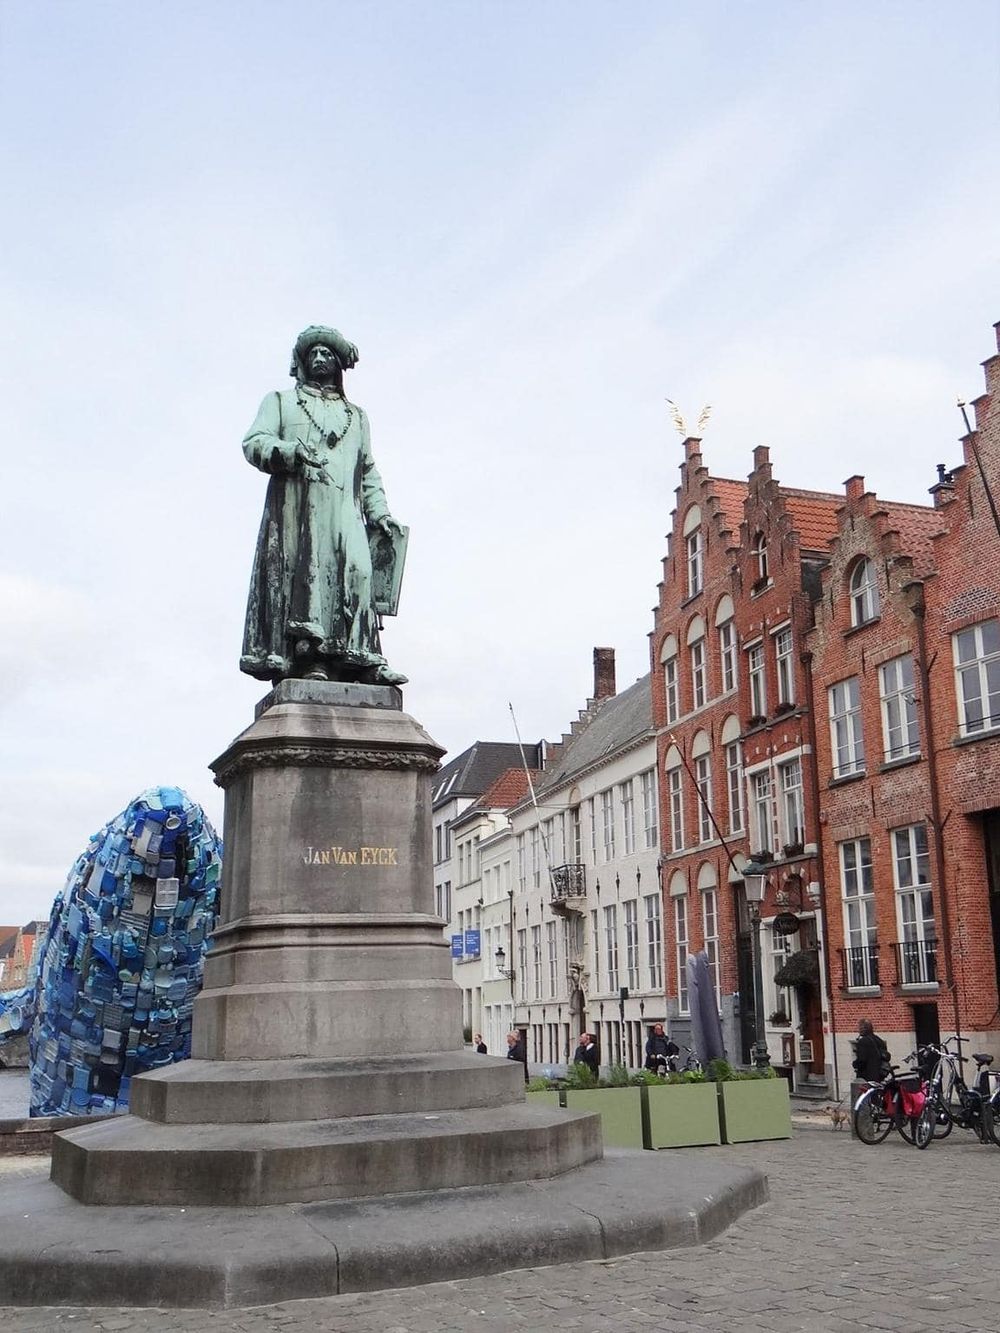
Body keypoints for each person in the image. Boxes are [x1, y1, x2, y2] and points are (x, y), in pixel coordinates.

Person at [240, 325, 407, 686]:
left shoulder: (357, 416)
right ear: (302, 361)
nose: (319, 358)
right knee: (310, 581)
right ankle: (312, 656)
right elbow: (254, 442)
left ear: (337, 363)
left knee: (359, 576)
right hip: (300, 510)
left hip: (346, 509)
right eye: (312, 353)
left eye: (326, 353)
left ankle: (363, 658)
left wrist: (379, 512)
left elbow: (367, 469)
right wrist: (288, 452)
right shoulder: (280, 401)